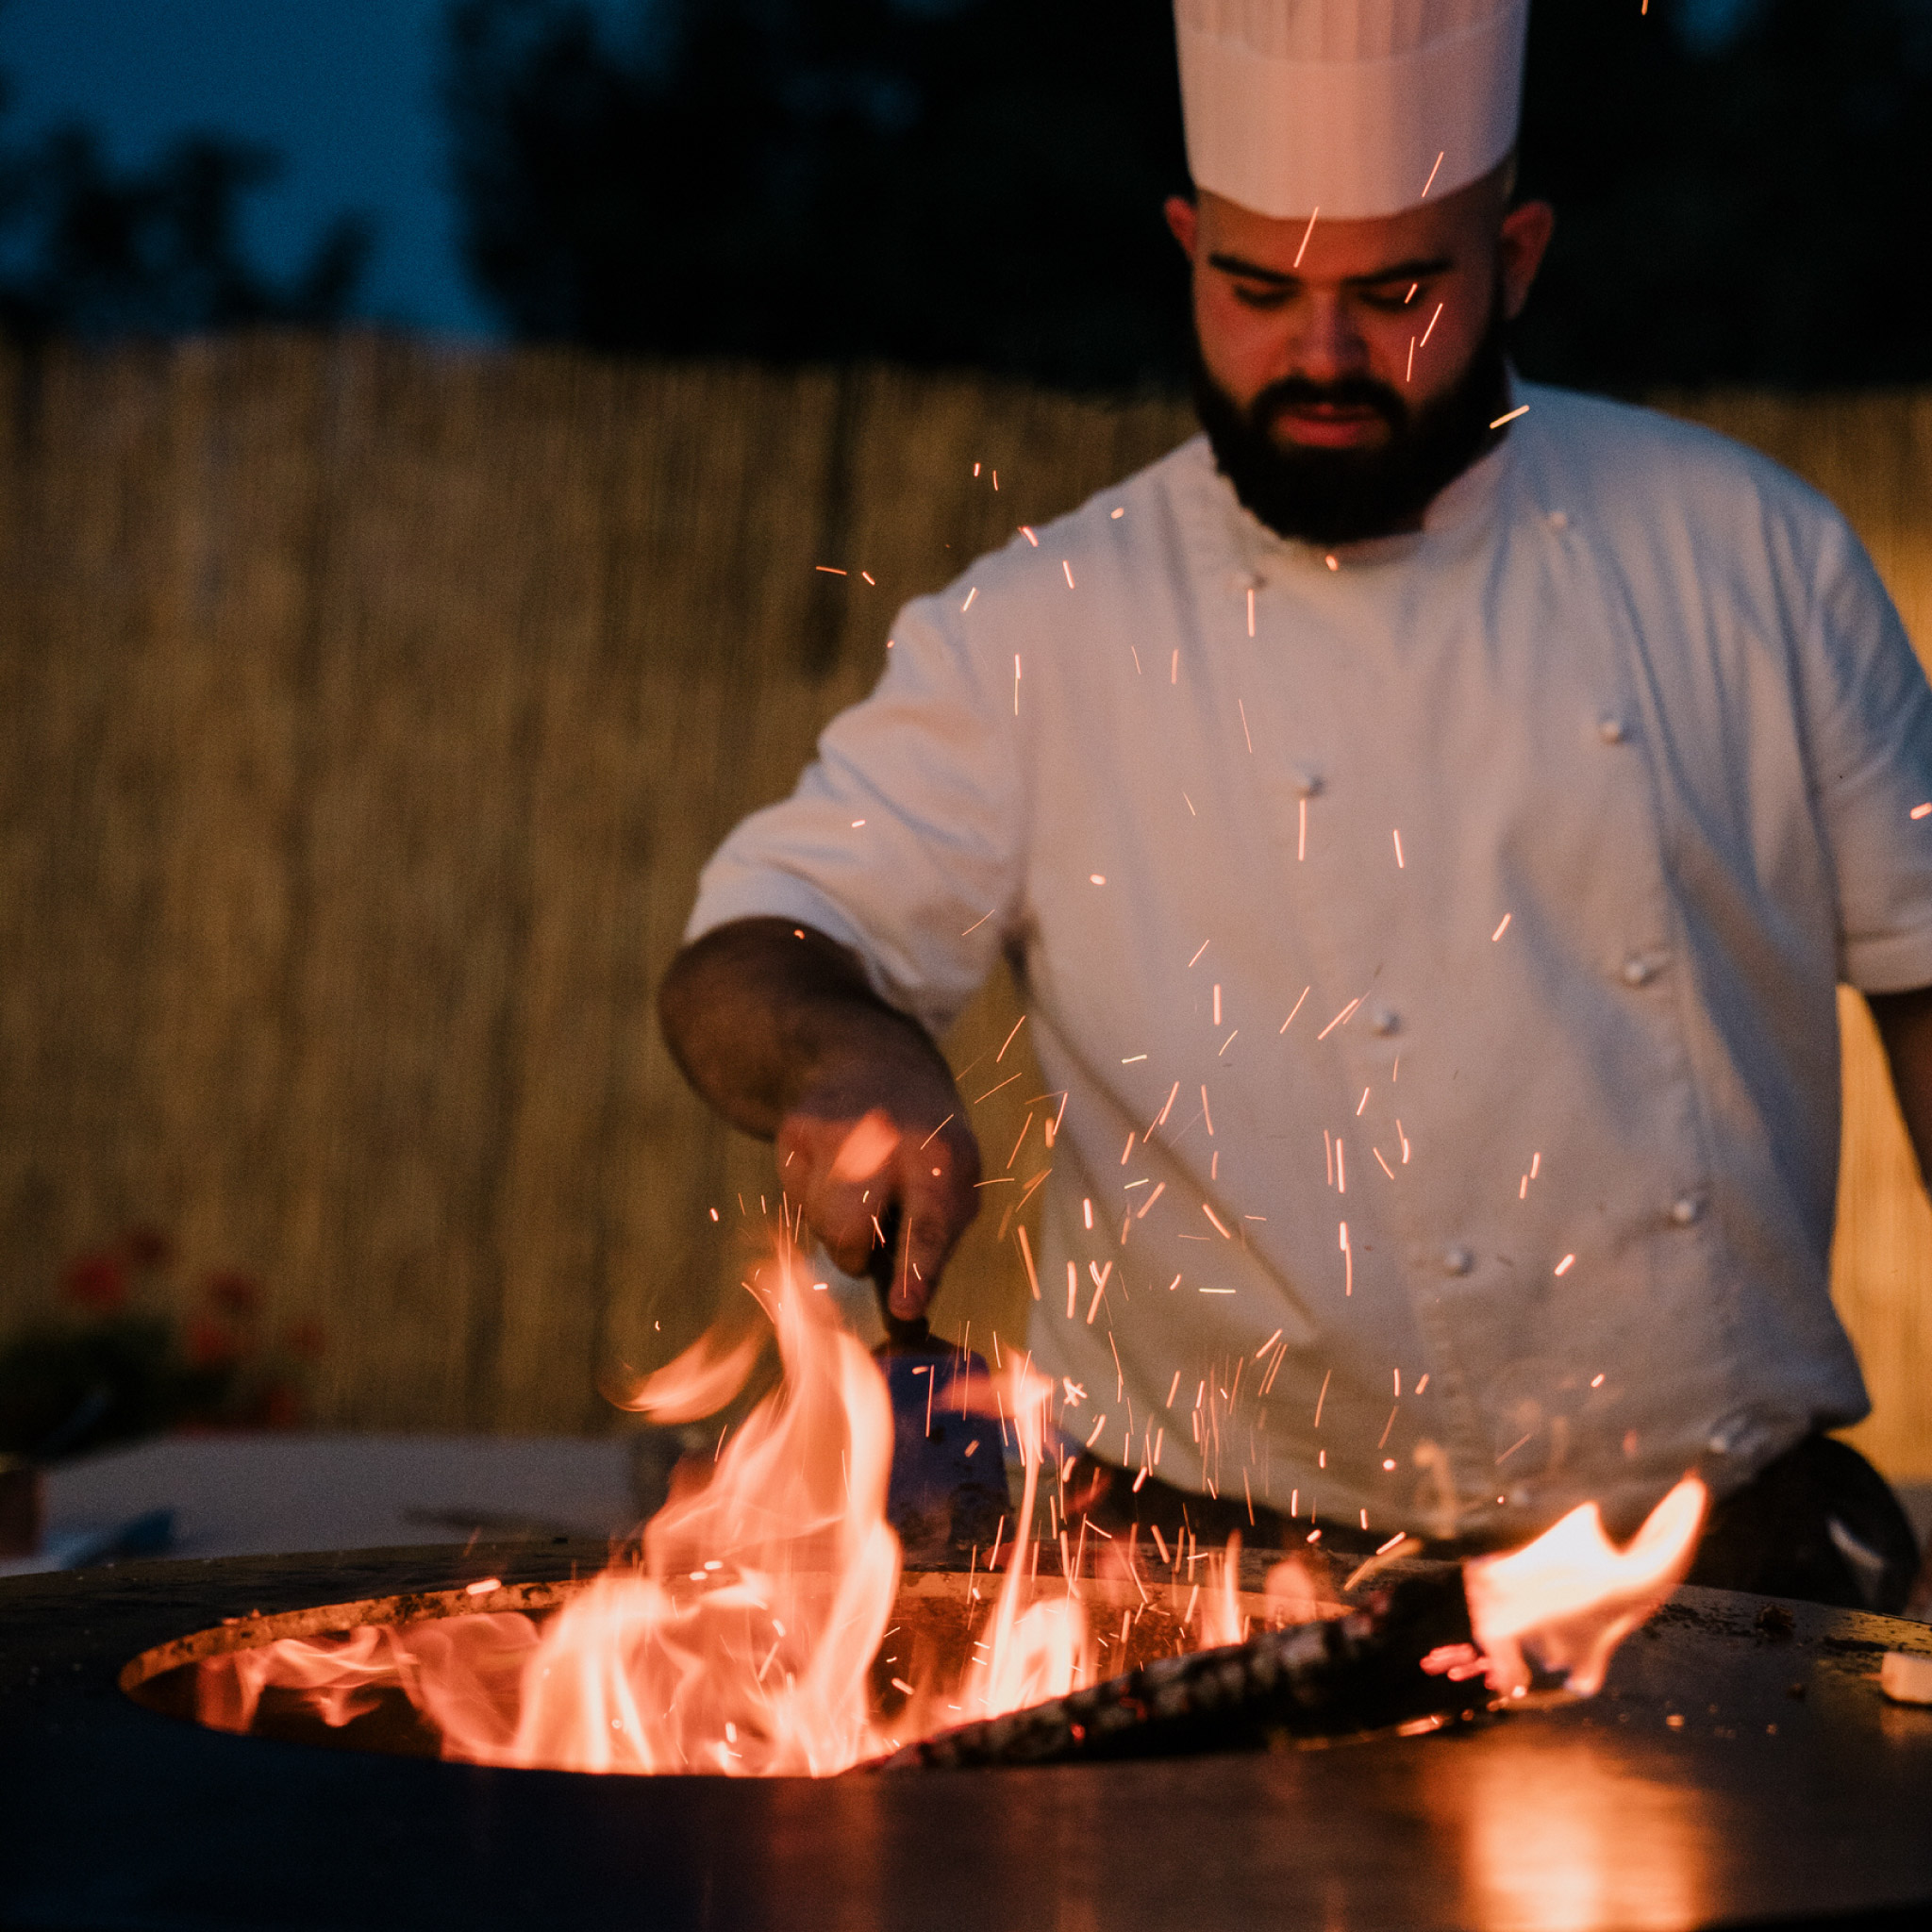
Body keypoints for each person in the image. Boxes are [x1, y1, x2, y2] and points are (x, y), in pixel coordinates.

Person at [660, 0, 1928, 1610]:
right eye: (1258, 291)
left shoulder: (1753, 558)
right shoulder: (1045, 627)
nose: (1319, 356)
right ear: (1188, 247)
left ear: (1516, 256)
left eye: (1395, 292)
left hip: (1709, 1564)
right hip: (1204, 1574)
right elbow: (751, 952)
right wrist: (850, 1058)